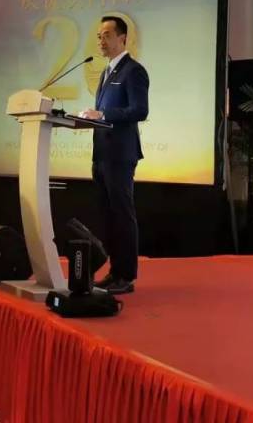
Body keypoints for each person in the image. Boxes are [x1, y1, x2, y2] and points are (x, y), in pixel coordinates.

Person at [81, 16, 149, 295]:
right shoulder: (106, 72)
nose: (101, 40)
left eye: (107, 35)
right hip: (102, 154)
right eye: (99, 36)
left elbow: (140, 110)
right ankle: (115, 271)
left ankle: (126, 276)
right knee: (108, 216)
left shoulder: (134, 71)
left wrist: (102, 114)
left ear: (123, 38)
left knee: (122, 215)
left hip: (120, 155)